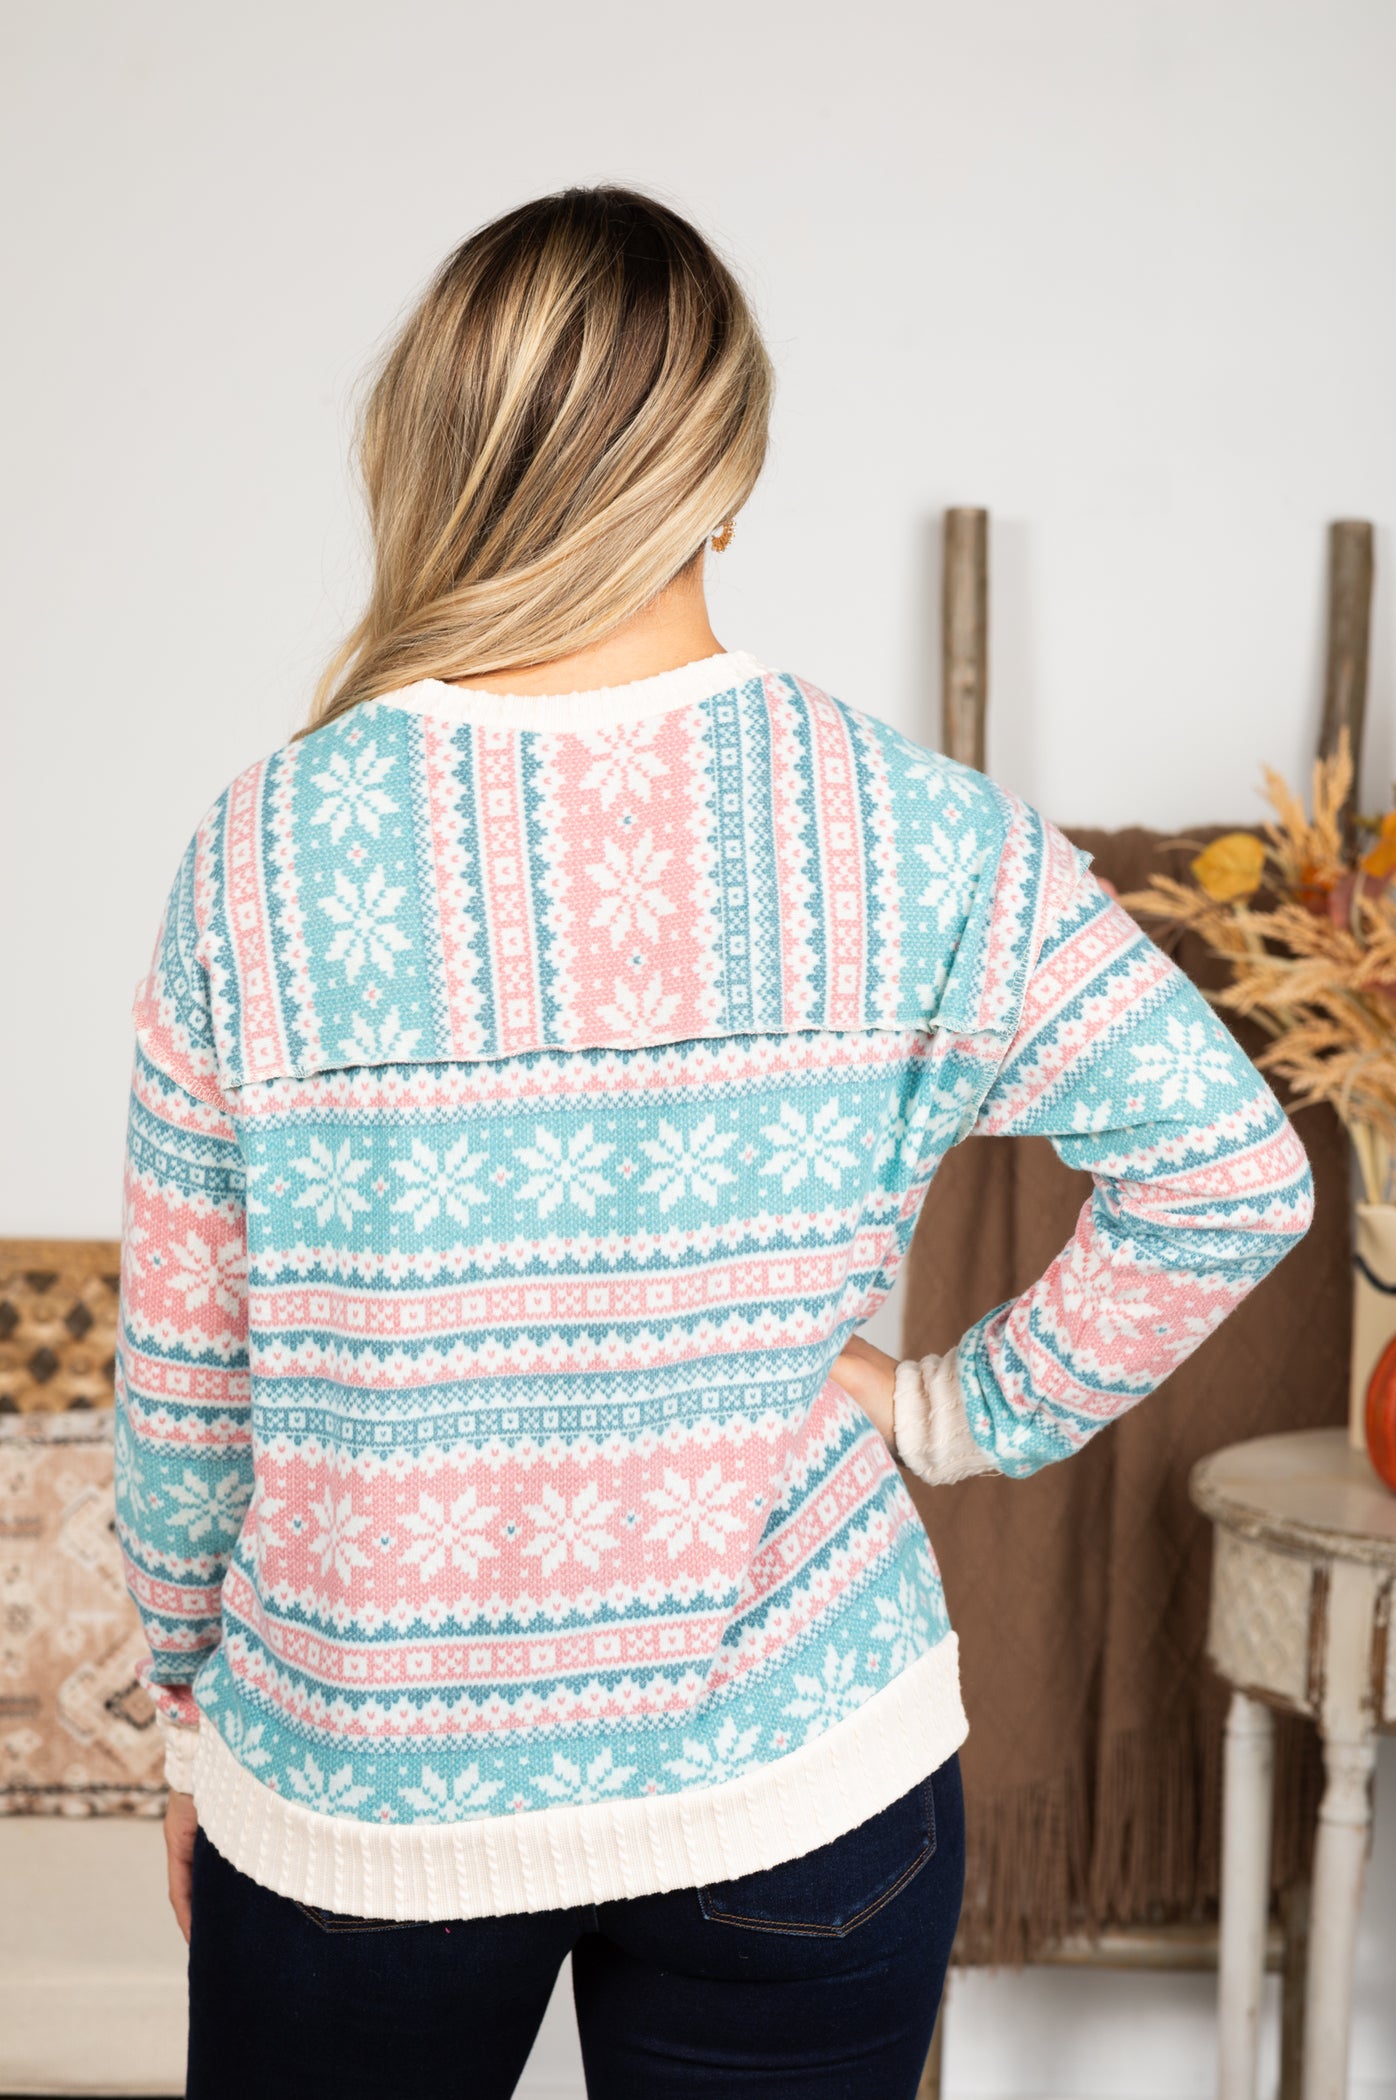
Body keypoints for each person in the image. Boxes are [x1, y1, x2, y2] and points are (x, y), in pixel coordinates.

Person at [114, 186, 1314, 2100]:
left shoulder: (262, 853)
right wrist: (946, 1412)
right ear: (727, 481)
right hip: (805, 1774)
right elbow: (1234, 1174)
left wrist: (189, 1722)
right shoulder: (920, 829)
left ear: (437, 454)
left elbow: (187, 1383)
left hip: (356, 1792)